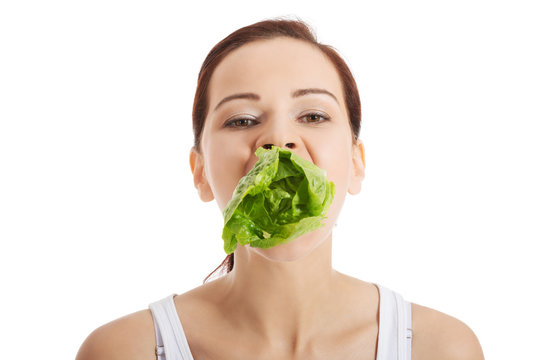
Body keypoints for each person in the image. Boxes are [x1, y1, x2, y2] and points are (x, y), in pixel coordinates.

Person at [76, 17, 484, 360]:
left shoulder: (441, 348)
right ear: (199, 171)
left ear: (357, 162)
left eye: (312, 114)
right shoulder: (123, 350)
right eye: (241, 120)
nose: (278, 139)